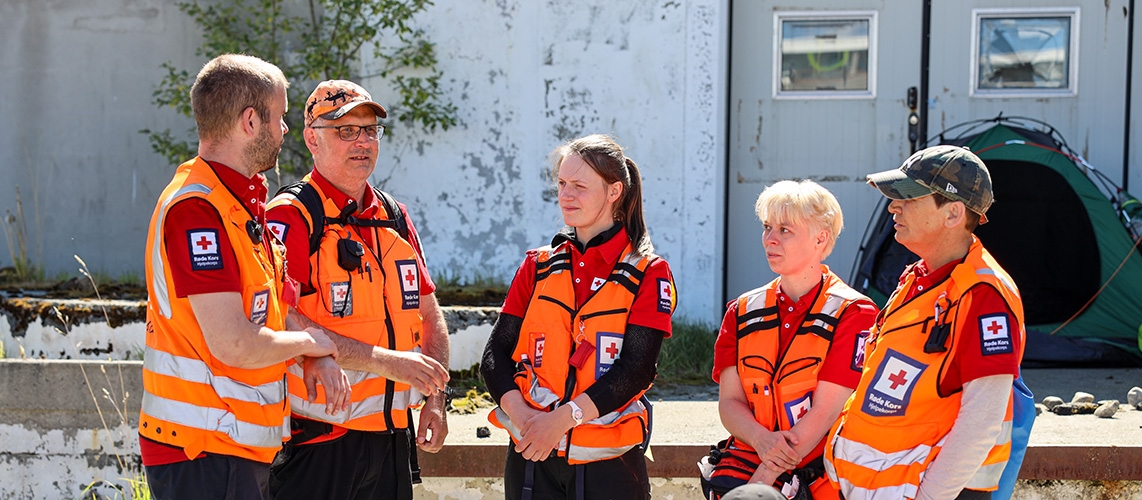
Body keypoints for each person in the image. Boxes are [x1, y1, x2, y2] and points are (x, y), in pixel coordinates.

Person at [140, 54, 350, 500]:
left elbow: (276, 311)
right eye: (281, 118)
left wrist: (313, 352)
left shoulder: (239, 205)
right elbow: (235, 343)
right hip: (202, 452)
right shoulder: (197, 209)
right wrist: (315, 344)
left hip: (230, 450)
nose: (286, 131)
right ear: (251, 122)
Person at [264, 79, 451, 500]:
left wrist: (436, 398)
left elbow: (428, 313)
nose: (362, 141)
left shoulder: (394, 217)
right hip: (317, 444)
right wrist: (385, 361)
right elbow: (281, 317)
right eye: (345, 130)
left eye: (369, 130)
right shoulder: (293, 215)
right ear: (312, 138)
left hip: (391, 443)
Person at [480, 134, 677, 500]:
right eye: (562, 184)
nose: (565, 195)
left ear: (614, 191)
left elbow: (637, 369)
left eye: (579, 186)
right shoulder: (537, 265)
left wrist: (560, 421)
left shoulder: (649, 271)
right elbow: (494, 357)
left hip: (609, 465)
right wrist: (527, 421)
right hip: (530, 455)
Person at [824, 145, 1026, 500]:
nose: (893, 206)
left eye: (909, 197)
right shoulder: (919, 276)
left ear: (953, 213)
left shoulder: (984, 294)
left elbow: (982, 420)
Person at [700, 180, 877, 500]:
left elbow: (825, 413)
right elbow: (729, 403)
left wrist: (760, 484)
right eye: (767, 227)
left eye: (785, 230)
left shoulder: (855, 312)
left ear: (821, 238)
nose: (770, 238)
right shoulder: (740, 310)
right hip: (749, 466)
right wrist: (761, 441)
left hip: (816, 479)